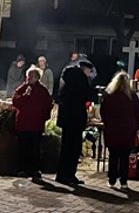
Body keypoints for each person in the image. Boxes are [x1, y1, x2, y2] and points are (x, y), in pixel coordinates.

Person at [100, 71, 139, 190]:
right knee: (125, 156)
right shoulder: (131, 96)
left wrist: (107, 122)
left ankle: (112, 180)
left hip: (112, 129)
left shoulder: (109, 95)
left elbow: (103, 111)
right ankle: (124, 182)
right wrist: (136, 125)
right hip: (128, 130)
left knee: (113, 155)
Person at [55, 58, 95, 187]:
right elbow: (87, 95)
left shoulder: (65, 78)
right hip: (76, 118)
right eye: (90, 71)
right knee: (74, 148)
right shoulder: (80, 80)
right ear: (85, 69)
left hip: (66, 118)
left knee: (66, 147)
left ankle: (62, 174)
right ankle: (70, 175)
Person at [13, 65, 52, 178]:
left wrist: (43, 118)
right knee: (23, 148)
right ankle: (22, 169)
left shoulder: (43, 91)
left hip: (36, 124)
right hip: (23, 124)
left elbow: (48, 105)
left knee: (35, 148)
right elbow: (16, 102)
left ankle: (34, 169)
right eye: (27, 76)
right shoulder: (22, 89)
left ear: (37, 78)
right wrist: (25, 96)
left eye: (30, 77)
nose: (28, 79)